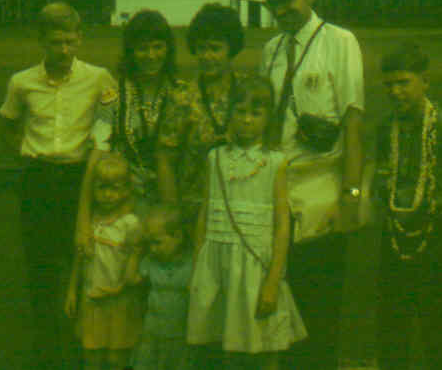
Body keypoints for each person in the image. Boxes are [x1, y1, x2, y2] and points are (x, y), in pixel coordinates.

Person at [0, 2, 116, 369]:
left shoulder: (98, 78)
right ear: (41, 42)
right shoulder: (22, 82)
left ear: (80, 38)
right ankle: (47, 351)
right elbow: (9, 123)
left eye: (70, 41)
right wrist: (28, 155)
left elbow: (108, 124)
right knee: (41, 268)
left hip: (77, 179)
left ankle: (84, 346)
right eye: (55, 43)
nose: (64, 50)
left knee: (82, 263)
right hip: (38, 179)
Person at [260, 0, 364, 370]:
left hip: (322, 194)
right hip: (277, 196)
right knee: (280, 317)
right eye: (272, 5)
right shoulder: (270, 51)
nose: (280, 11)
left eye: (286, 1)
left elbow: (353, 126)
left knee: (320, 315)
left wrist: (351, 198)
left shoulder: (340, 42)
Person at [373, 45, 442, 370]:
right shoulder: (386, 128)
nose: (396, 91)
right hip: (395, 235)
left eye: (404, 82)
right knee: (392, 322)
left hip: (435, 235)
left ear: (425, 82)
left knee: (437, 321)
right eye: (389, 84)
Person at [187, 76, 307, 370]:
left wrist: (273, 279)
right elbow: (205, 212)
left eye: (255, 113)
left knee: (265, 344)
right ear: (230, 115)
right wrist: (198, 264)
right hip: (217, 264)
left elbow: (281, 225)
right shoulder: (215, 158)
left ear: (268, 118)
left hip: (256, 266)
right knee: (226, 345)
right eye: (240, 112)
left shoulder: (276, 162)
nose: (246, 120)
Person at [77, 10, 199, 253]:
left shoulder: (185, 94)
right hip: (126, 207)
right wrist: (82, 221)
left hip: (174, 205)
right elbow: (97, 156)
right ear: (130, 51)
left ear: (168, 49)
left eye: (158, 47)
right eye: (142, 48)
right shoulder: (113, 97)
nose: (151, 55)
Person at [65, 154, 143, 370]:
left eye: (115, 188)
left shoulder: (130, 224)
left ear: (126, 190)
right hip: (91, 300)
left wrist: (117, 290)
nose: (108, 195)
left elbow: (134, 270)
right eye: (102, 188)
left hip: (119, 302)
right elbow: (79, 259)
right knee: (92, 356)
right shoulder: (89, 221)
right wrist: (72, 291)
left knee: (116, 359)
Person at [180, 2, 246, 221]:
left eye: (215, 48)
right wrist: (171, 209)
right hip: (193, 207)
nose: (207, 56)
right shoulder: (181, 97)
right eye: (201, 48)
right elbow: (165, 156)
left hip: (240, 204)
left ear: (231, 49)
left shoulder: (249, 92)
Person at [131, 203, 194, 370]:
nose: (152, 249)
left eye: (158, 242)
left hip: (180, 335)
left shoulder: (191, 262)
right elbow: (132, 279)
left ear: (178, 237)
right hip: (153, 333)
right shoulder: (150, 262)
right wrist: (136, 251)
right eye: (149, 243)